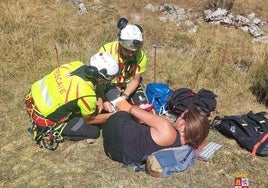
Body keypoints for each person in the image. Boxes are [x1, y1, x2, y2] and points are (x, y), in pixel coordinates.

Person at [25, 52, 119, 146]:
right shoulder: (87, 95)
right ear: (100, 77)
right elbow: (90, 120)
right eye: (108, 78)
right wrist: (114, 115)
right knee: (93, 131)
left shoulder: (76, 64)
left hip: (31, 98)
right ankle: (49, 130)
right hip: (42, 117)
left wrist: (101, 98)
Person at [102, 99, 210, 165]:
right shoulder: (184, 144)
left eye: (180, 116)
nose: (177, 118)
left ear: (182, 125)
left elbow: (133, 110)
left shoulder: (166, 128)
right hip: (123, 156)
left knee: (124, 113)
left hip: (115, 136)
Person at [98, 17, 149, 112]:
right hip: (109, 85)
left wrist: (125, 96)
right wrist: (104, 100)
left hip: (128, 84)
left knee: (143, 109)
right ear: (120, 43)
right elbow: (99, 81)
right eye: (127, 50)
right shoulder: (106, 51)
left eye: (134, 51)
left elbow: (135, 79)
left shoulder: (141, 56)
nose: (130, 54)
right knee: (114, 112)